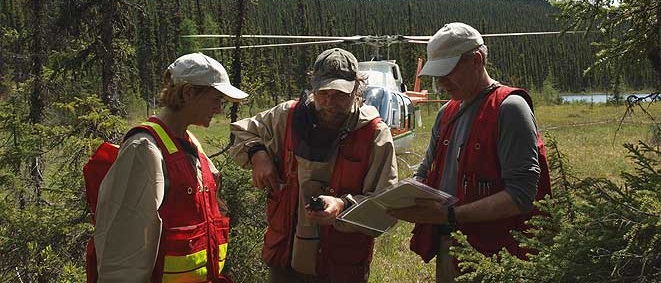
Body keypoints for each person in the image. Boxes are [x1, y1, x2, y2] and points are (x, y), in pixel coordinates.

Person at [389, 22, 551, 282]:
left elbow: (521, 196)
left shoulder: (510, 108)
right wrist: (397, 197)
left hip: (500, 257)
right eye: (437, 74)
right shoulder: (446, 114)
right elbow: (425, 171)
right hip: (452, 249)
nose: (441, 83)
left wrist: (450, 215)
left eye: (448, 71)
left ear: (477, 59)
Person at [230, 48, 398, 283]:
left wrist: (343, 205)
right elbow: (241, 132)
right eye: (323, 93)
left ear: (357, 90)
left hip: (340, 265)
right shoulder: (287, 116)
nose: (329, 103)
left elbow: (386, 205)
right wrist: (258, 154)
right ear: (313, 87)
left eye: (339, 95)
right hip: (285, 257)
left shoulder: (374, 134)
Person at [92, 52, 248, 283]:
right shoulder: (144, 148)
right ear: (188, 93)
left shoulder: (190, 142)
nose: (218, 109)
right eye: (215, 100)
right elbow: (126, 244)